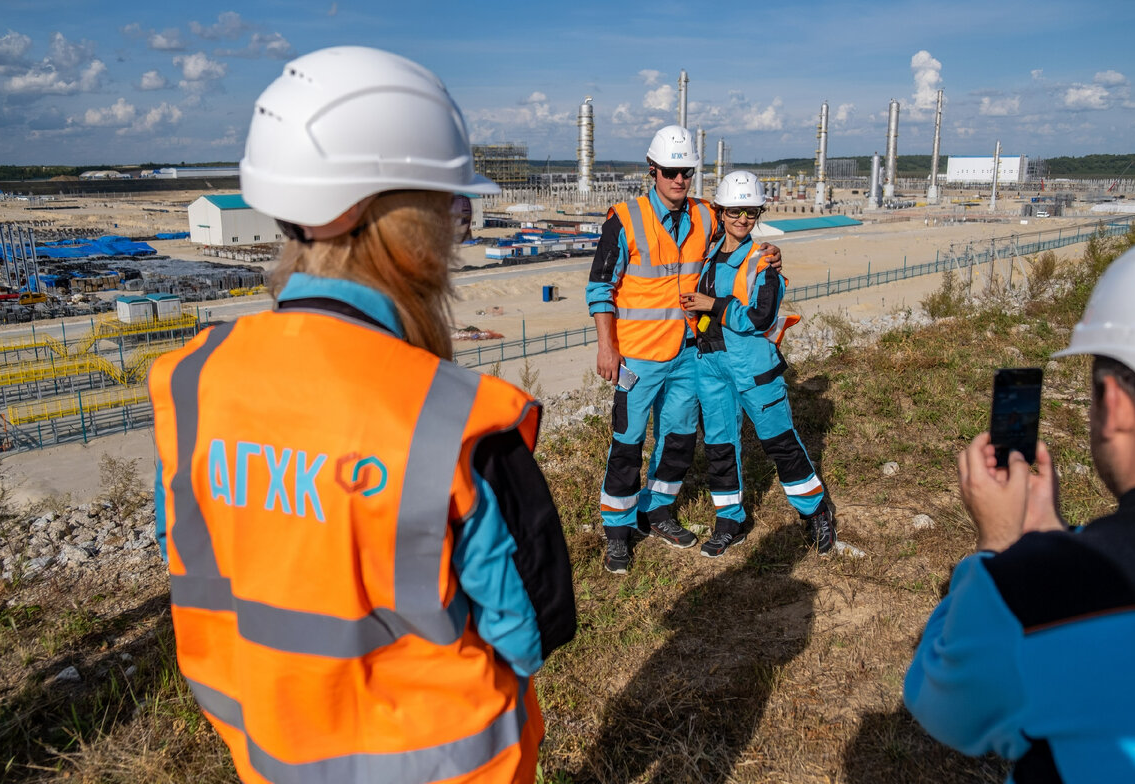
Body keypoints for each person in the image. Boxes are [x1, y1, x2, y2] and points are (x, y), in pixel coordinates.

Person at [148, 46, 575, 784]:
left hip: (270, 759)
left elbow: (208, 561)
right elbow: (531, 633)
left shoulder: (190, 383)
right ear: (379, 218)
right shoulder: (454, 420)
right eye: (450, 208)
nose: (457, 235)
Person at [904, 230, 1135, 781]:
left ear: (1114, 403)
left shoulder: (1042, 592)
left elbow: (939, 701)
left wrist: (1001, 549)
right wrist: (1049, 534)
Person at [586, 127, 781, 574]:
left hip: (687, 353)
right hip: (636, 356)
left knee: (676, 439)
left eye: (687, 172)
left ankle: (657, 511)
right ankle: (617, 529)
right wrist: (605, 347)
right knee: (627, 442)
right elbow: (600, 287)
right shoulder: (625, 218)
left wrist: (766, 253)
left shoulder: (705, 215)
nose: (680, 180)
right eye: (671, 171)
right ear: (652, 171)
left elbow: (738, 228)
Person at [680, 171, 834, 557]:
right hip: (711, 366)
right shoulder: (707, 255)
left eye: (751, 211)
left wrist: (711, 305)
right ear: (721, 210)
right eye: (735, 211)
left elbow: (760, 318)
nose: (742, 219)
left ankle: (815, 513)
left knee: (780, 443)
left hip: (753, 369)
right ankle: (730, 521)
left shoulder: (762, 258)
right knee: (719, 446)